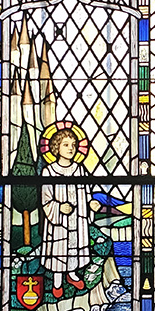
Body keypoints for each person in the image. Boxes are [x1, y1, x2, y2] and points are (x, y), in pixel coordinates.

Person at [41, 127, 98, 298]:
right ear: (56, 147)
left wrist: (90, 203)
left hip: (77, 218)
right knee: (59, 248)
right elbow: (46, 199)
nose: (71, 148)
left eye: (73, 145)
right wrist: (58, 208)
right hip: (59, 221)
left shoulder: (79, 170)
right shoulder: (49, 171)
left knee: (75, 246)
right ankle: (57, 281)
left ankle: (72, 274)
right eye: (66, 145)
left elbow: (86, 192)